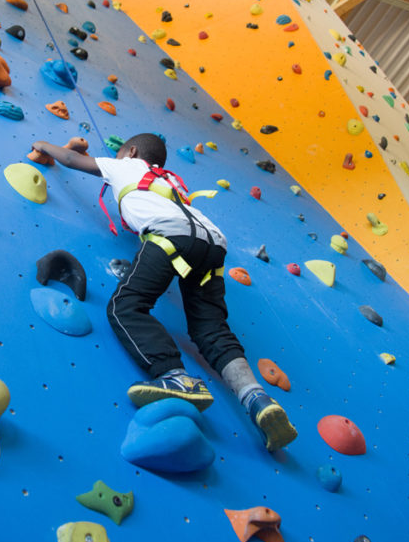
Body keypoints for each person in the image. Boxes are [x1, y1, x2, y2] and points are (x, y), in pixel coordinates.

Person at [31, 132, 297, 452]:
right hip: (212, 242)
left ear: (130, 152)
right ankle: (257, 398)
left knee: (125, 306)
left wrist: (45, 145)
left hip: (170, 235)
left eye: (117, 154)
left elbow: (74, 160)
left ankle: (175, 375)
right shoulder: (172, 180)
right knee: (210, 328)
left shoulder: (127, 165)